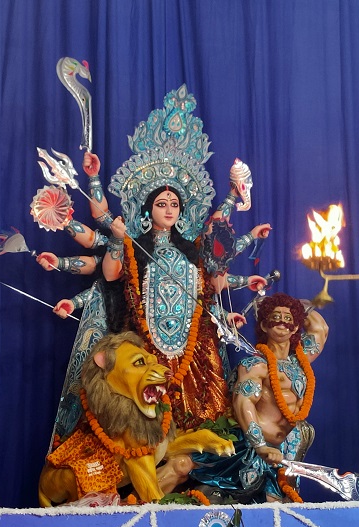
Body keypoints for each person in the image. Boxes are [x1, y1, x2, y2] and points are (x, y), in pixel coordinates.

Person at [39, 86, 270, 436]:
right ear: (148, 210)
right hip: (144, 347)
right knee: (142, 424)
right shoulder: (133, 245)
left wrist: (245, 274)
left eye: (174, 205)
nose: (168, 210)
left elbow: (214, 277)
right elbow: (111, 274)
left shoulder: (192, 249)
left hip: (195, 351)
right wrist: (93, 179)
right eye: (162, 204)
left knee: (207, 421)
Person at [188, 292, 328, 502]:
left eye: (288, 319)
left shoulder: (301, 361)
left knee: (286, 506)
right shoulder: (255, 365)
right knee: (249, 510)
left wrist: (297, 305)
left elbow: (321, 329)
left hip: (289, 450)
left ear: (296, 327)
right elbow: (243, 402)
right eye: (275, 317)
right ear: (264, 326)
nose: (281, 322)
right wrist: (260, 445)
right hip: (256, 450)